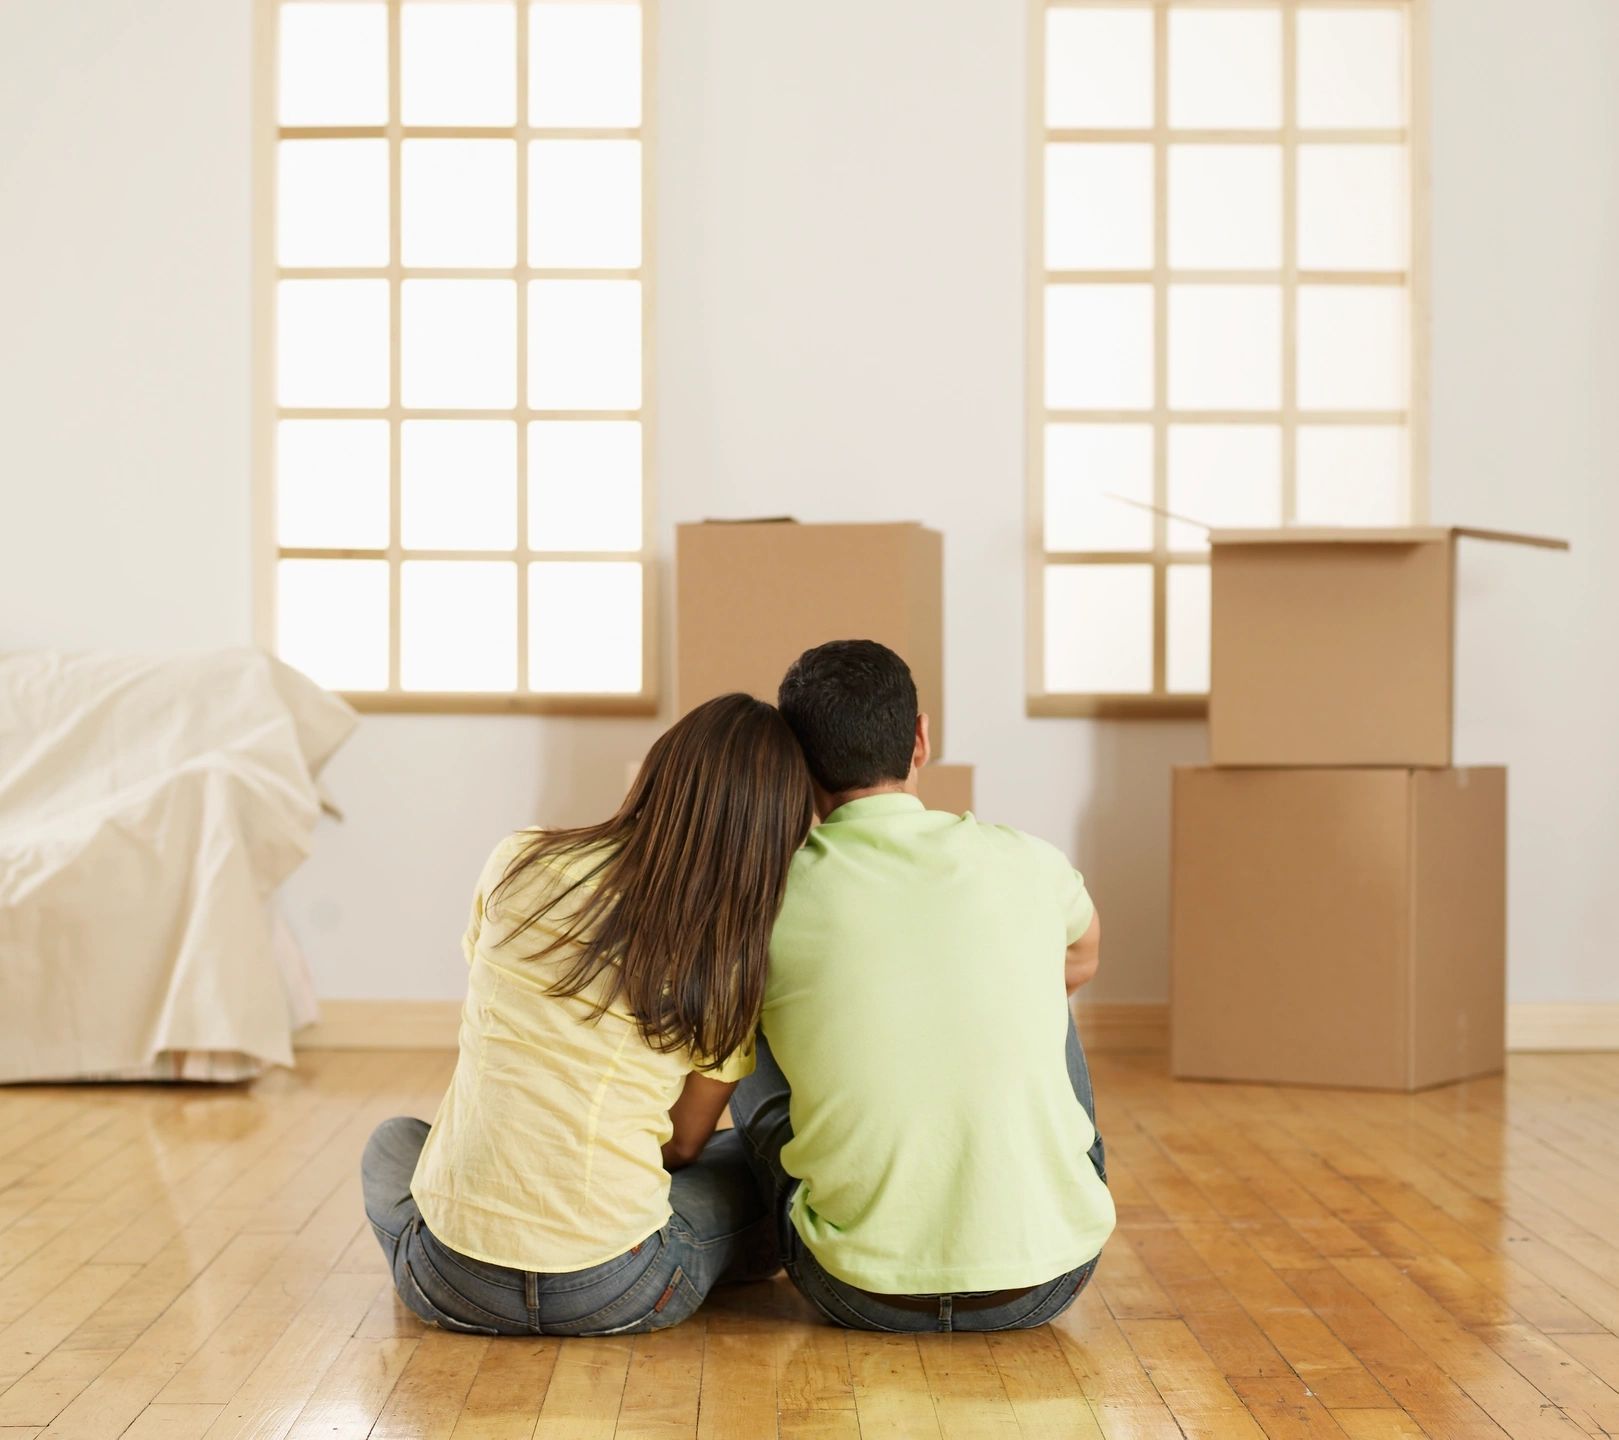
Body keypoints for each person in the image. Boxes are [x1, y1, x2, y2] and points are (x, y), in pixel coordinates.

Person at [361, 693, 814, 1336]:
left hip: (448, 1281)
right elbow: (683, 1145)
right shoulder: (732, 956)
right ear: (777, 830)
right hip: (618, 1286)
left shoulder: (519, 860)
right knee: (755, 1162)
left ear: (658, 773)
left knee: (393, 1141)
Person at [730, 639, 1115, 1332]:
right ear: (920, 738)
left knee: (741, 1016)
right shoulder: (1029, 862)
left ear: (794, 758)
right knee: (1039, 976)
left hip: (852, 1286)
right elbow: (1080, 962)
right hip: (1048, 1279)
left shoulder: (765, 897)